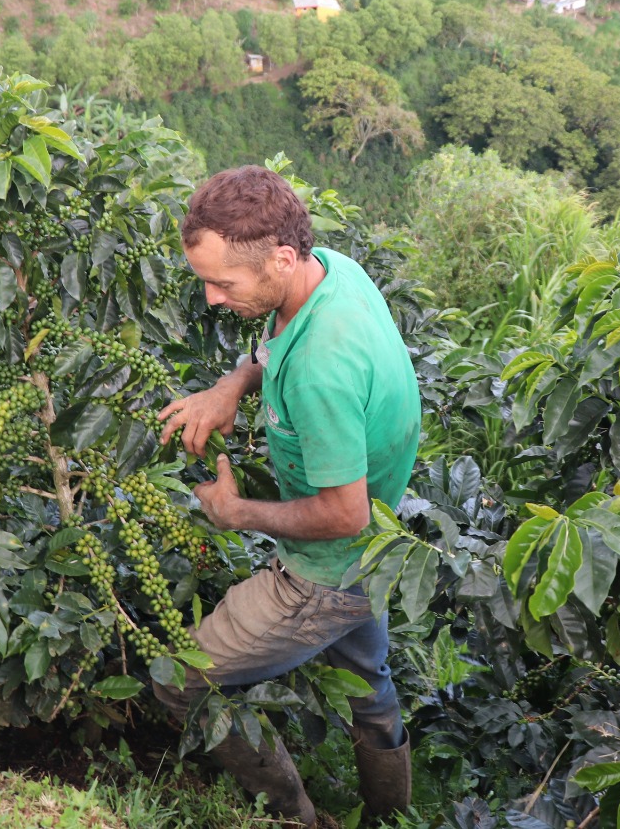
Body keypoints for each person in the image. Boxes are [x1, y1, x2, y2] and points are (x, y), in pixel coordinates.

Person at [154, 166, 420, 826]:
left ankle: (297, 817)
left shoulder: (322, 369)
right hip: (380, 553)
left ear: (280, 258)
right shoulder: (330, 271)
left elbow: (342, 513)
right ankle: (393, 819)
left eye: (224, 284)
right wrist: (232, 385)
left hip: (325, 569)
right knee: (368, 688)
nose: (213, 299)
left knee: (175, 679)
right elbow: (274, 350)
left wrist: (235, 513)